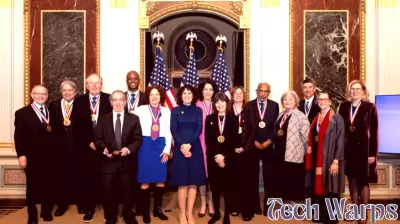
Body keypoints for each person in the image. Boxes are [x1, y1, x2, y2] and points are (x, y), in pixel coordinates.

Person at [95, 90, 142, 224]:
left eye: (121, 99)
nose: (118, 102)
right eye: (114, 100)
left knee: (128, 192)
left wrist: (128, 149)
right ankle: (111, 217)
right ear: (110, 102)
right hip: (108, 163)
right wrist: (104, 150)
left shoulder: (134, 118)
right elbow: (98, 139)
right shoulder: (103, 119)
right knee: (109, 193)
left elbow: (138, 139)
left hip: (127, 162)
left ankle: (129, 216)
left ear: (125, 102)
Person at [338, 80, 378, 224]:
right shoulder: (343, 107)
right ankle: (355, 213)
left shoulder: (370, 107)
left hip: (364, 151)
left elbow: (374, 132)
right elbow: (340, 130)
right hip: (349, 150)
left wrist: (372, 153)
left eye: (357, 88)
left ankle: (363, 216)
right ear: (349, 91)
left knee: (363, 183)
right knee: (352, 182)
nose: (355, 91)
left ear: (363, 91)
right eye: (352, 89)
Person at [14, 85, 55, 224]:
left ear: (47, 95)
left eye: (44, 93)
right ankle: (32, 215)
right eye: (37, 93)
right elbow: (18, 136)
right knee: (32, 186)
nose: (41, 96)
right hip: (32, 157)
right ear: (32, 95)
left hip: (51, 157)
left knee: (49, 185)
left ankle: (46, 211)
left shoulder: (52, 111)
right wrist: (21, 155)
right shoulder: (22, 113)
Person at [74, 74, 112, 222]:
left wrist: (101, 142)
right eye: (91, 83)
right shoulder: (79, 101)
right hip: (87, 149)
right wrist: (89, 141)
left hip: (105, 148)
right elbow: (76, 127)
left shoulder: (109, 99)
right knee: (89, 180)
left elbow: (112, 124)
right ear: (87, 85)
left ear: (101, 85)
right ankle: (90, 208)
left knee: (107, 181)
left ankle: (109, 210)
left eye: (97, 83)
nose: (95, 85)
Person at [305, 92, 345, 224]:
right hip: (317, 156)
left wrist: (336, 161)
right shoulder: (317, 117)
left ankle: (331, 218)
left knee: (331, 188)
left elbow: (340, 141)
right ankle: (320, 215)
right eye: (319, 99)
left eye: (324, 99)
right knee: (318, 186)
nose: (322, 101)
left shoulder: (336, 118)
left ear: (330, 102)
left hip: (330, 158)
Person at [170, 85, 206, 224]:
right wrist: (183, 146)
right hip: (180, 149)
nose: (186, 95)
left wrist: (189, 144)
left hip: (195, 148)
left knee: (193, 182)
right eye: (184, 93)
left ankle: (189, 213)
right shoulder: (175, 110)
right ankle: (182, 214)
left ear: (193, 96)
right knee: (182, 182)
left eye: (189, 93)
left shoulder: (198, 110)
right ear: (181, 95)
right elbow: (174, 129)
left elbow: (199, 128)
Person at [135, 86, 171, 223]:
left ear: (161, 97)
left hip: (161, 145)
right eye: (152, 95)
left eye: (157, 95)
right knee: (145, 181)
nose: (154, 97)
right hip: (145, 146)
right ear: (148, 97)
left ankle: (157, 209)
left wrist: (167, 149)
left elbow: (168, 132)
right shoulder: (140, 110)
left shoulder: (167, 111)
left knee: (160, 180)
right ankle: (145, 211)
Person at [243, 82, 279, 218]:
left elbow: (275, 126)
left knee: (269, 176)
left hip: (268, 146)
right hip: (253, 145)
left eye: (266, 91)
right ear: (256, 91)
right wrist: (254, 141)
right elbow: (246, 127)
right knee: (252, 177)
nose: (263, 93)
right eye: (260, 91)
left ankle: (268, 206)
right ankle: (255, 205)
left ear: (269, 92)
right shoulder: (249, 106)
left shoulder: (274, 105)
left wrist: (269, 141)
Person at [205, 93, 240, 224]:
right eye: (217, 102)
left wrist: (223, 156)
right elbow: (209, 141)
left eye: (222, 101)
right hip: (214, 159)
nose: (220, 104)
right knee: (215, 188)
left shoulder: (233, 119)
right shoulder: (209, 118)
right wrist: (217, 156)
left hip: (228, 159)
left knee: (228, 188)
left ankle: (226, 216)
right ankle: (216, 214)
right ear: (214, 104)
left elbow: (234, 141)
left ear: (227, 103)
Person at [274, 90, 309, 205]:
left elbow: (306, 137)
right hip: (280, 153)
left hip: (294, 153)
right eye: (285, 99)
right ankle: (286, 203)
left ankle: (296, 204)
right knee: (284, 179)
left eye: (290, 99)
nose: (287, 101)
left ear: (295, 101)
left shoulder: (301, 116)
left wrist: (301, 151)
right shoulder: (281, 114)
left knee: (294, 180)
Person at [48, 80, 78, 217]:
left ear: (75, 92)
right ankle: (62, 204)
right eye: (64, 90)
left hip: (78, 147)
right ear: (61, 92)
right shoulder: (53, 105)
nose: (67, 92)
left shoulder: (82, 104)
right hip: (59, 149)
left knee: (80, 176)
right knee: (61, 178)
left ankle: (81, 203)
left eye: (70, 90)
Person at [229, 86, 255, 218]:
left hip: (246, 151)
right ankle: (234, 207)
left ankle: (247, 210)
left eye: (241, 93)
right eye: (236, 93)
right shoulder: (228, 110)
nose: (238, 95)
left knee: (246, 181)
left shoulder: (249, 110)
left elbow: (253, 130)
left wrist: (245, 147)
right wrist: (232, 147)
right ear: (232, 95)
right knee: (234, 180)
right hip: (232, 151)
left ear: (244, 96)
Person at [196, 79, 217, 218]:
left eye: (210, 89)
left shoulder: (218, 105)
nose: (208, 92)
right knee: (202, 175)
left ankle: (211, 202)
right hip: (200, 143)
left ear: (213, 91)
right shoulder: (197, 105)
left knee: (214, 175)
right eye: (205, 89)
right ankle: (203, 202)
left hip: (215, 144)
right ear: (202, 91)